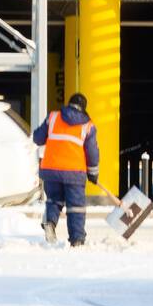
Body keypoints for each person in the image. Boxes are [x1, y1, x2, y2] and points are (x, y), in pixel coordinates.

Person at [32, 92, 99, 247]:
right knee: (76, 206)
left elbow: (38, 138)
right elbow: (92, 152)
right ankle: (77, 239)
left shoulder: (53, 117)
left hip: (51, 169)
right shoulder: (88, 126)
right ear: (84, 108)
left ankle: (49, 222)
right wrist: (93, 173)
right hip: (74, 172)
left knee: (54, 200)